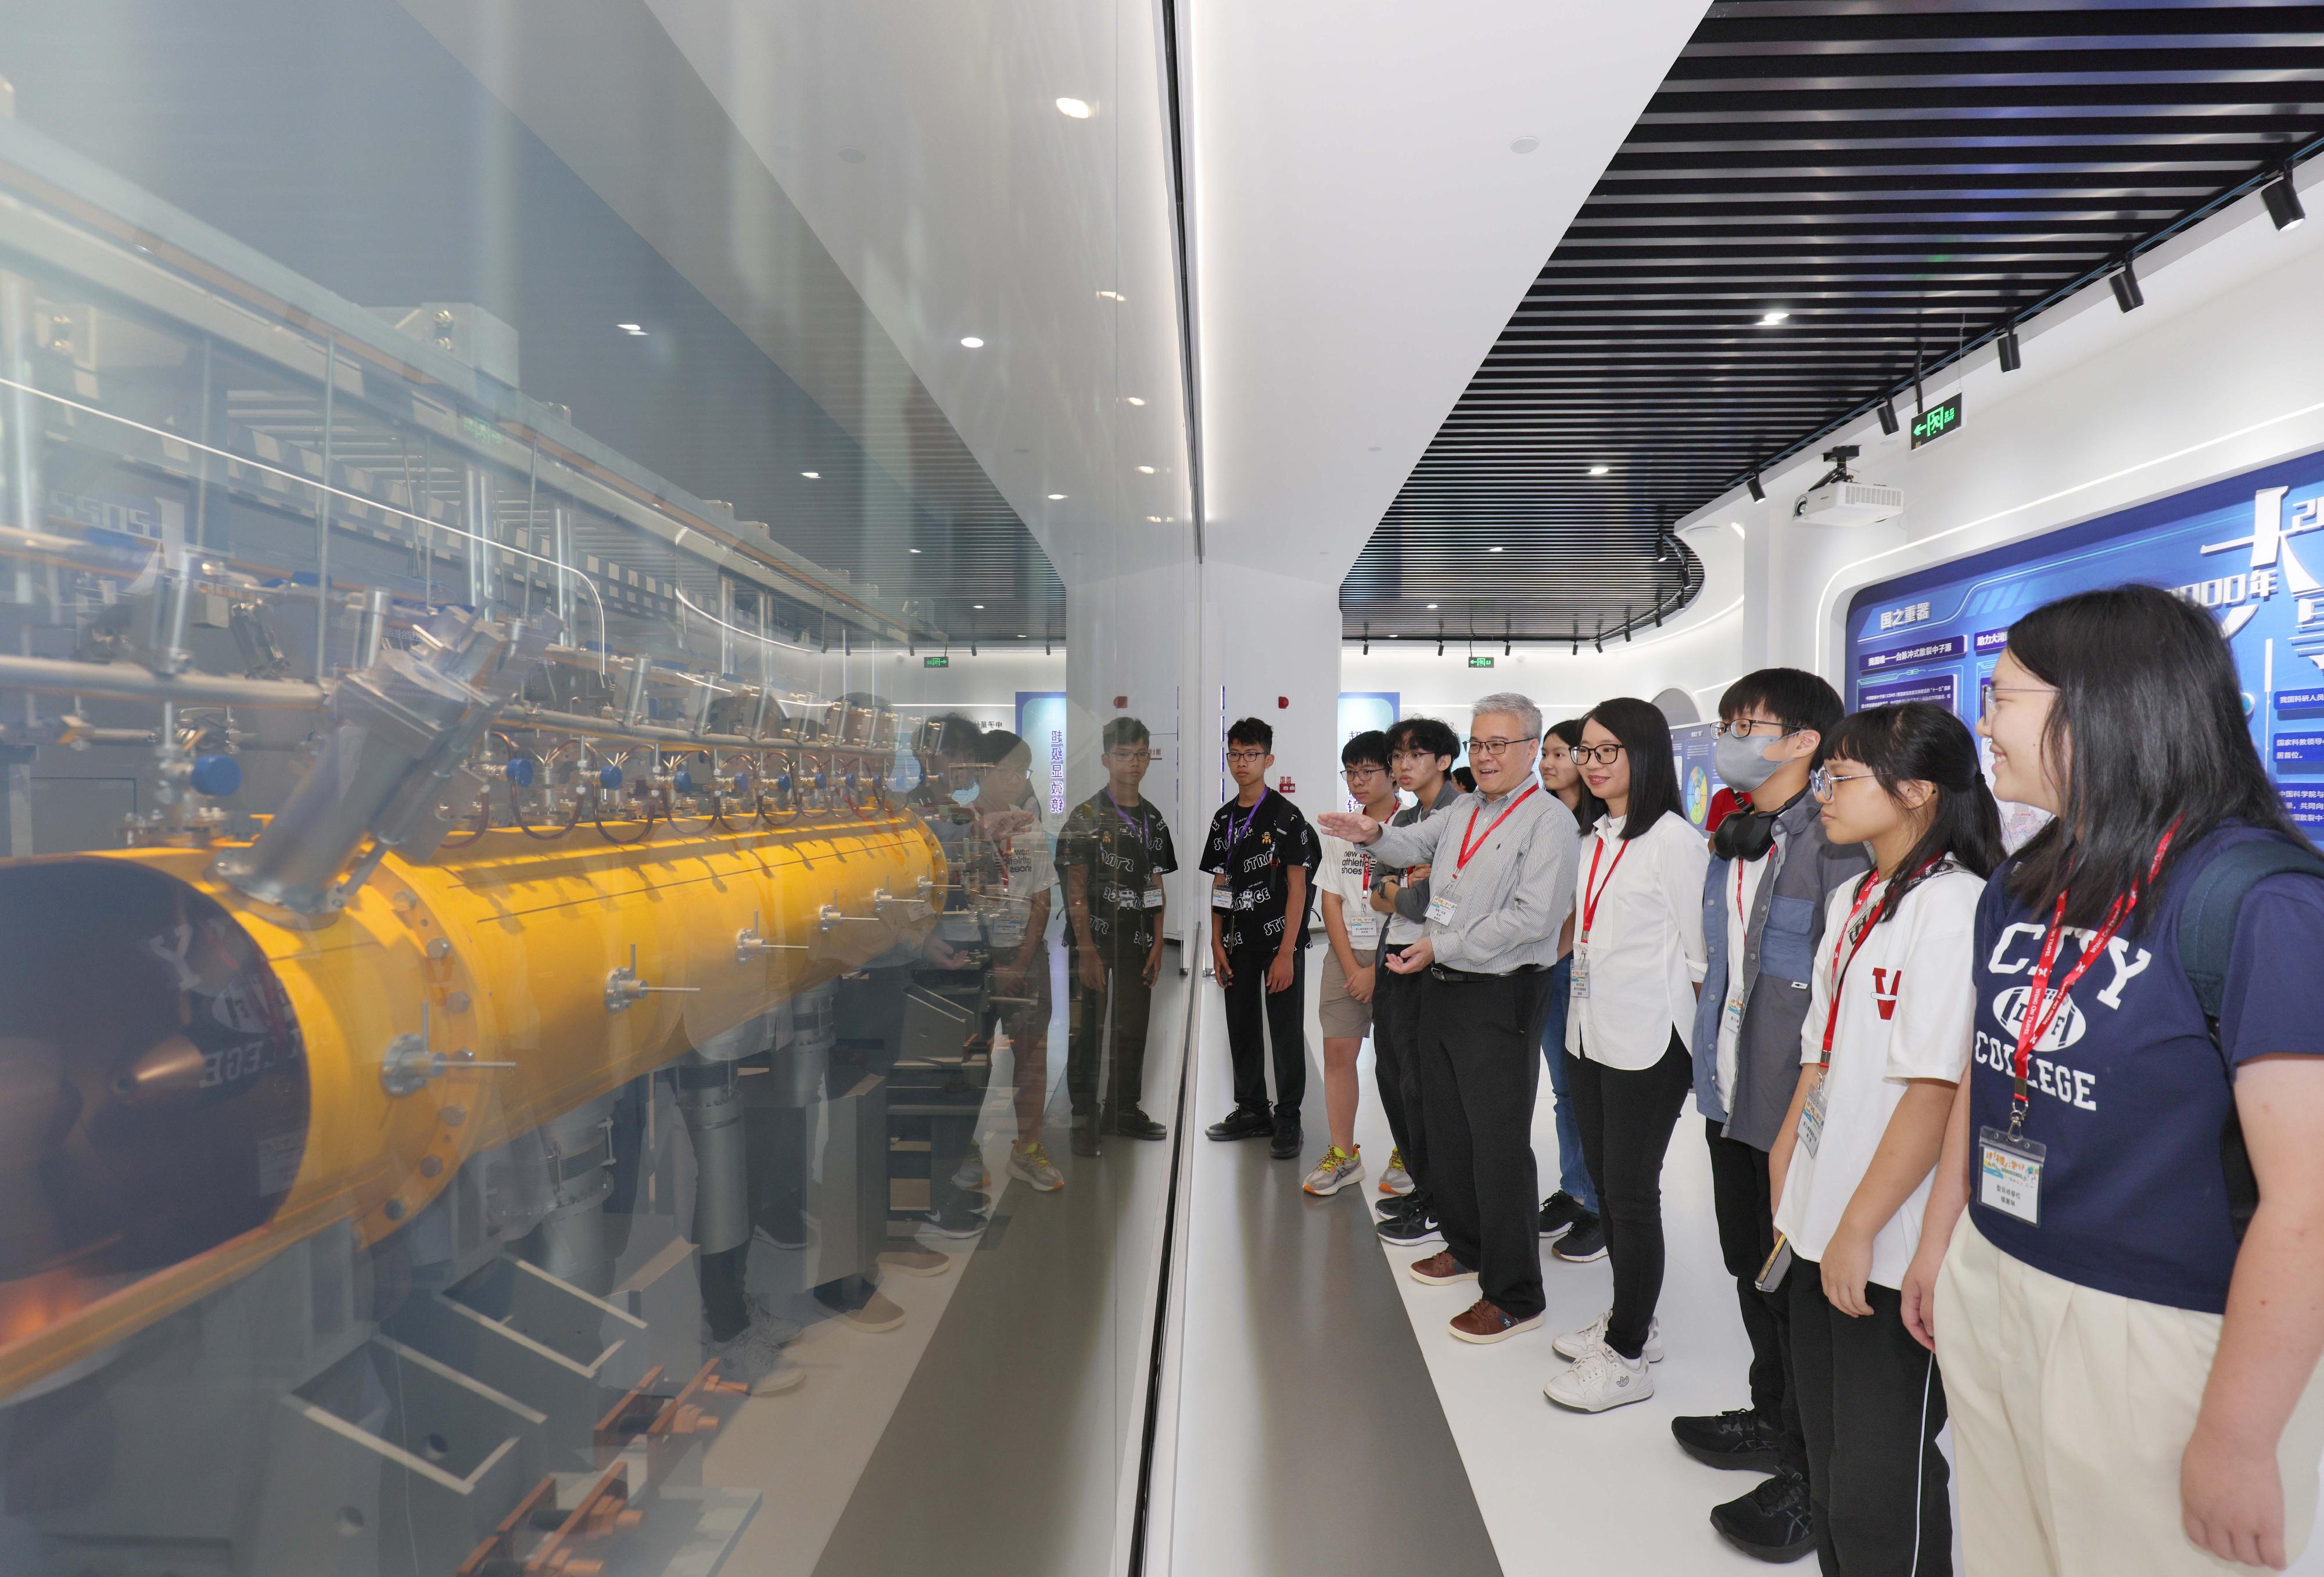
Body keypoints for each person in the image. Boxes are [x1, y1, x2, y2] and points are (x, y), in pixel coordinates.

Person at [1902, 585, 2324, 1576]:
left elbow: (2306, 1204)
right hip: (1999, 1274)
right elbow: (1992, 1057)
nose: (1984, 725)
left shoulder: (2262, 905)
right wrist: (1943, 1235)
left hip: (2154, 1332)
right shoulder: (2028, 874)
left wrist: (2236, 1436)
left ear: (2100, 709)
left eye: (2004, 698)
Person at [1765, 702, 1999, 1575]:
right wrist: (1791, 1175)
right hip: (1824, 1219)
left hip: (1890, 1241)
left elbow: (1937, 1092)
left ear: (1918, 791)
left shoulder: (1958, 907)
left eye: (1842, 775)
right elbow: (1820, 1058)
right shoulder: (1853, 896)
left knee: (1880, 1486)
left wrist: (1860, 1224)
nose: (1823, 791)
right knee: (1830, 1469)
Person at [1676, 670, 1867, 1561]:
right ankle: (1768, 1413)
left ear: (1801, 740)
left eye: (1745, 723)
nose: (1729, 736)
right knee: (1744, 1262)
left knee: (1793, 1290)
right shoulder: (1737, 835)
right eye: (1728, 722)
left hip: (1790, 1111)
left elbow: (1834, 1007)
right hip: (1730, 1092)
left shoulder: (1833, 844)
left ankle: (1806, 1470)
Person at [1322, 693, 1579, 1344]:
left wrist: (1445, 943)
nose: (1486, 756)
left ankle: (1516, 1291)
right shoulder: (1466, 807)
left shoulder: (1548, 822)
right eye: (1478, 744)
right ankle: (1467, 1247)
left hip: (1500, 993)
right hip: (1441, 985)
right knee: (1448, 1128)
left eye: (1501, 744)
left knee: (1496, 1146)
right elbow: (1413, 840)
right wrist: (1372, 834)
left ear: (1530, 748)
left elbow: (1535, 919)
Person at [1546, 696, 1709, 1411]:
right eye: (1586, 750)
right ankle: (1628, 1321)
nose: (1592, 763)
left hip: (1650, 1042)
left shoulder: (1675, 841)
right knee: (1608, 1190)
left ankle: (1627, 1355)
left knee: (1632, 1194)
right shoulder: (1594, 839)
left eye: (1607, 750)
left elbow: (1702, 961)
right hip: (1590, 1032)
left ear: (1643, 754)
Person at [1057, 716, 1177, 1156]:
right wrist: (1086, 949)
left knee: (1132, 1028)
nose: (1134, 763)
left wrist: (1159, 940)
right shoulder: (1086, 816)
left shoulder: (1154, 818)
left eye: (1142, 754)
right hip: (1095, 942)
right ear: (1107, 758)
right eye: (1124, 754)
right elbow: (1074, 886)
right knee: (1088, 1029)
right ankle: (1083, 1117)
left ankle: (1123, 1109)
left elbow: (1158, 883)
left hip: (1137, 941)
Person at [1202, 718, 1320, 1159]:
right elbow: (1220, 882)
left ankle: (1288, 1118)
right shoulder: (1223, 818)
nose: (1241, 763)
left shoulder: (1287, 817)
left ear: (1268, 759)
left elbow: (1299, 887)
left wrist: (1288, 950)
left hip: (1279, 943)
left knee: (1285, 1031)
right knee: (1242, 1025)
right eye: (1234, 754)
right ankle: (1251, 1108)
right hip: (1237, 940)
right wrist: (1216, 940)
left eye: (1251, 754)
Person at [1370, 716, 1465, 1241]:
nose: (1404, 765)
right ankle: (1423, 1185)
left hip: (1433, 959)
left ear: (1444, 759)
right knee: (1393, 1076)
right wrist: (1403, 883)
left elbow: (1431, 901)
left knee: (1424, 1084)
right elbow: (1376, 890)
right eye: (1398, 757)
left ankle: (1438, 1200)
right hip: (1395, 953)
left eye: (1415, 755)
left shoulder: (1458, 815)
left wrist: (1400, 886)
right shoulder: (1407, 820)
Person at [1305, 732, 1401, 1195]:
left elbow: (1414, 905)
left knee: (1401, 1059)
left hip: (1400, 954)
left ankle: (1409, 1150)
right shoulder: (1343, 828)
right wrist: (1350, 967)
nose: (1359, 781)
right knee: (1339, 1053)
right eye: (1351, 772)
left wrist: (1376, 971)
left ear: (1391, 771)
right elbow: (1331, 898)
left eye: (1368, 771)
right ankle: (1345, 1155)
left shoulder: (1414, 828)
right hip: (1346, 955)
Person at [969, 730, 1064, 1194]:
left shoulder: (1027, 824)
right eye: (1003, 770)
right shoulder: (964, 824)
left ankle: (1027, 1149)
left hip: (1025, 954)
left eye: (1020, 771)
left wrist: (1022, 960)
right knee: (972, 1053)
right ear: (982, 771)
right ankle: (964, 1147)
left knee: (1032, 1053)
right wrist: (993, 964)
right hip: (974, 957)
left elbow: (1042, 897)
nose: (1012, 780)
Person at [1534, 718, 1608, 1260]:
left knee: (1589, 1092)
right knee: (1564, 1090)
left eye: (1560, 753)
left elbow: (1582, 912)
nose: (1549, 763)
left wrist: (1549, 954)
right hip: (1549, 966)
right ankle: (1575, 1186)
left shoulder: (1602, 827)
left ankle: (1602, 1207)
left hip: (1580, 968)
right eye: (1546, 754)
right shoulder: (1547, 820)